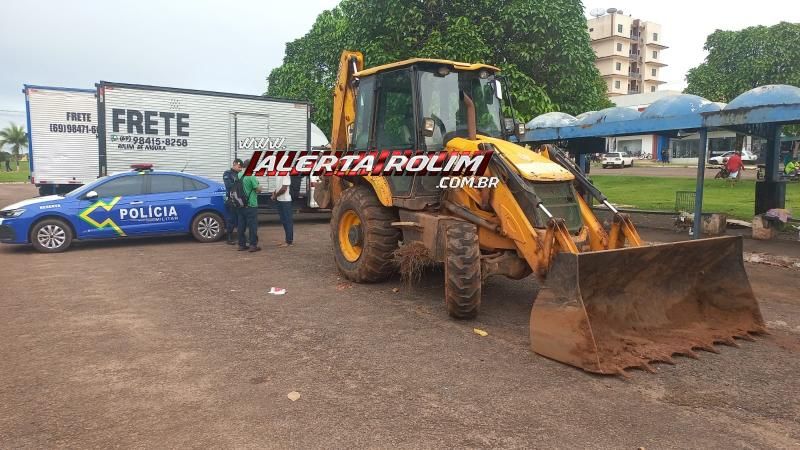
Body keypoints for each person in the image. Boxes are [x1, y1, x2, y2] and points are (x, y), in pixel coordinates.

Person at [237, 159, 262, 252]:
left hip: (240, 204)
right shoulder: (251, 176)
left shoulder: (238, 175)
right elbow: (258, 189)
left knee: (241, 225)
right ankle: (253, 245)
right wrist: (260, 187)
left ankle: (241, 245)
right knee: (252, 226)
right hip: (251, 204)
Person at [222, 158, 244, 244]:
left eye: (241, 167)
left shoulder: (241, 174)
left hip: (240, 199)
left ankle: (241, 237)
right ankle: (229, 237)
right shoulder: (227, 173)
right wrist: (239, 184)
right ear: (234, 164)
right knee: (231, 219)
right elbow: (229, 185)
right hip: (231, 199)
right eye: (239, 167)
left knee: (241, 219)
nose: (240, 169)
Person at [272, 173, 294, 247]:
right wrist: (274, 192)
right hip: (280, 200)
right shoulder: (278, 173)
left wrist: (275, 196)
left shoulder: (286, 173)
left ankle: (289, 241)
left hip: (285, 201)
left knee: (288, 221)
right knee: (284, 221)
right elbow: (279, 187)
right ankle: (287, 240)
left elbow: (284, 188)